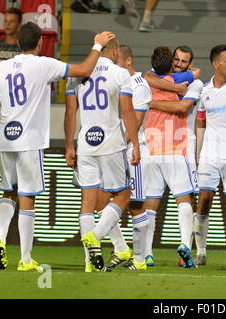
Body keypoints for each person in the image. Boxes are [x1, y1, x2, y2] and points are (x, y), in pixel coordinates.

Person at [0, 22, 115, 271]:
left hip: (6, 139)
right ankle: (26, 258)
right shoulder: (44, 64)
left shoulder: (1, 68)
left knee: (8, 192)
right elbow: (85, 69)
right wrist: (98, 44)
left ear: (18, 42)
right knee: (27, 197)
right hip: (29, 141)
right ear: (40, 42)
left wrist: (0, 124)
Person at [65, 38, 141, 272]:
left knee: (88, 202)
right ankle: (95, 236)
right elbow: (127, 110)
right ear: (116, 50)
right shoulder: (120, 74)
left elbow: (70, 111)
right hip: (111, 143)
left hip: (85, 143)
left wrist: (69, 145)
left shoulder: (76, 73)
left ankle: (90, 263)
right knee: (123, 195)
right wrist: (135, 143)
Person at [92, 44, 152, 271]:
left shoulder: (139, 84)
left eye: (116, 62)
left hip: (130, 150)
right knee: (101, 202)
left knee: (136, 204)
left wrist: (121, 145)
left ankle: (139, 258)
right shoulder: (116, 81)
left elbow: (135, 120)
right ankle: (119, 248)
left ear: (127, 61)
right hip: (113, 149)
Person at [143, 45, 202, 267]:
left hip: (170, 145)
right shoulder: (158, 76)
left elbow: (184, 107)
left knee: (156, 200)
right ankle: (182, 246)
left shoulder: (193, 83)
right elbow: (147, 75)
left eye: (183, 61)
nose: (178, 63)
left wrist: (152, 103)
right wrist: (175, 85)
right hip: (173, 147)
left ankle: (152, 252)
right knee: (181, 198)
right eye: (175, 59)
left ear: (190, 64)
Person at [192, 44, 226, 266]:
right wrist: (198, 151)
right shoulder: (204, 91)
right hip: (210, 153)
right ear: (216, 64)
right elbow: (201, 121)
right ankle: (201, 251)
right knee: (204, 200)